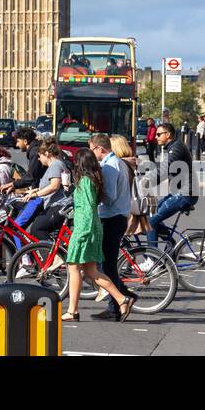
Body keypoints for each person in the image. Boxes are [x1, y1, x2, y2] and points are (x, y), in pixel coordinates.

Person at [62, 147, 134, 322]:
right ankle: (121, 299)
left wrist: (81, 233)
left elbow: (86, 208)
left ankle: (73, 311)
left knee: (75, 268)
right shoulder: (91, 180)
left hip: (85, 229)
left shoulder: (85, 181)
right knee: (90, 271)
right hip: (93, 227)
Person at [89, 132, 135, 321]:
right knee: (107, 264)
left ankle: (117, 305)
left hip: (111, 218)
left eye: (92, 150)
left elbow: (110, 196)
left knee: (107, 266)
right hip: (118, 216)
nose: (91, 153)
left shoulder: (109, 167)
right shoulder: (117, 162)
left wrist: (94, 198)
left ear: (100, 149)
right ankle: (122, 299)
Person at [146, 122, 196, 252]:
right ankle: (170, 244)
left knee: (150, 222)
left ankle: (152, 259)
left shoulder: (176, 148)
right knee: (152, 212)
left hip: (185, 194)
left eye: (158, 134)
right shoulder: (172, 147)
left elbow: (165, 169)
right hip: (180, 193)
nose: (156, 137)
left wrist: (147, 181)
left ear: (168, 134)